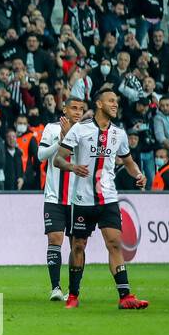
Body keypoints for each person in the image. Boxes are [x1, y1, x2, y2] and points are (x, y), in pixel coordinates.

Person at [54, 87, 150, 309]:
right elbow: (58, 159)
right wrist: (72, 167)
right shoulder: (79, 130)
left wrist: (138, 174)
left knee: (115, 244)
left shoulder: (119, 134)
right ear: (99, 104)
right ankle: (73, 296)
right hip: (82, 200)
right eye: (111, 101)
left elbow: (127, 160)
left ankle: (125, 296)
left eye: (116, 101)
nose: (115, 104)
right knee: (78, 246)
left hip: (108, 198)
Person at [38, 93, 88, 300]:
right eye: (74, 108)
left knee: (78, 244)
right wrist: (61, 142)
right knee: (55, 238)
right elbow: (41, 156)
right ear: (64, 110)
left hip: (79, 198)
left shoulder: (87, 132)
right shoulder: (51, 129)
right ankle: (56, 288)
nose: (77, 112)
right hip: (54, 196)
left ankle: (73, 291)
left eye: (81, 109)